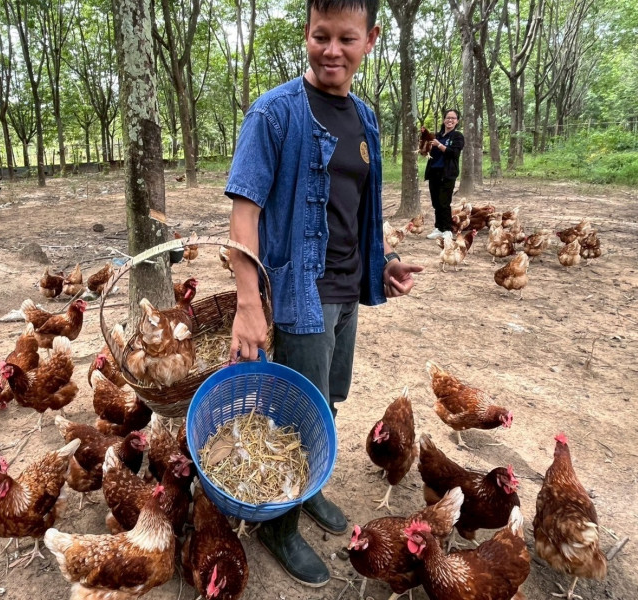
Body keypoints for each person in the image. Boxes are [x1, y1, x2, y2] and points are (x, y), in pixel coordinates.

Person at [224, 0, 423, 588]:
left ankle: (305, 490)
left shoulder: (365, 118)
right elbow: (243, 216)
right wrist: (249, 303)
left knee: (328, 400)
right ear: (307, 33)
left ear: (370, 39)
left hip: (345, 291)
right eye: (320, 36)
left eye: (346, 39)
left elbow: (359, 208)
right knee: (290, 416)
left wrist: (382, 263)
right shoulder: (274, 114)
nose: (331, 50)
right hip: (297, 292)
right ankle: (278, 525)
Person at [425, 109, 465, 239]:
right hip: (434, 172)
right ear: (444, 120)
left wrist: (439, 145)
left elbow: (454, 153)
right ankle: (438, 228)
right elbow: (428, 152)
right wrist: (426, 146)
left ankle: (447, 229)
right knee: (436, 202)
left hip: (447, 173)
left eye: (453, 118)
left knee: (444, 202)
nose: (450, 120)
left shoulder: (457, 136)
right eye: (448, 118)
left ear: (457, 121)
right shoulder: (437, 136)